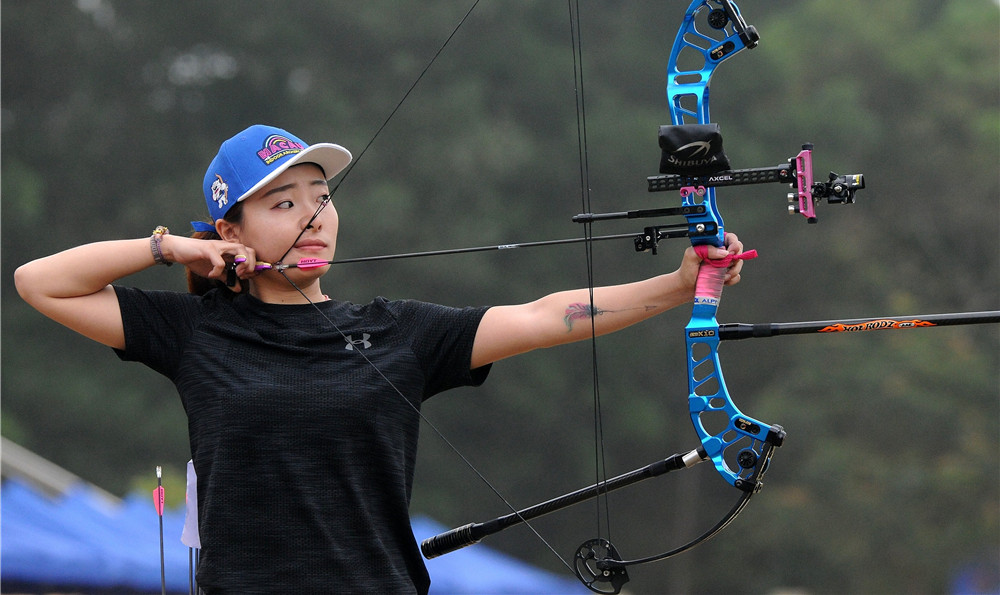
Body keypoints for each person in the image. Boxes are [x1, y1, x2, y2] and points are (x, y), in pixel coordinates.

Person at [14, 124, 747, 594]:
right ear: (229, 229)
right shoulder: (194, 330)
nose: (312, 215)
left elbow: (544, 315)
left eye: (320, 196)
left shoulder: (397, 330)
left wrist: (680, 284)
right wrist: (168, 246)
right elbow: (37, 281)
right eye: (280, 203)